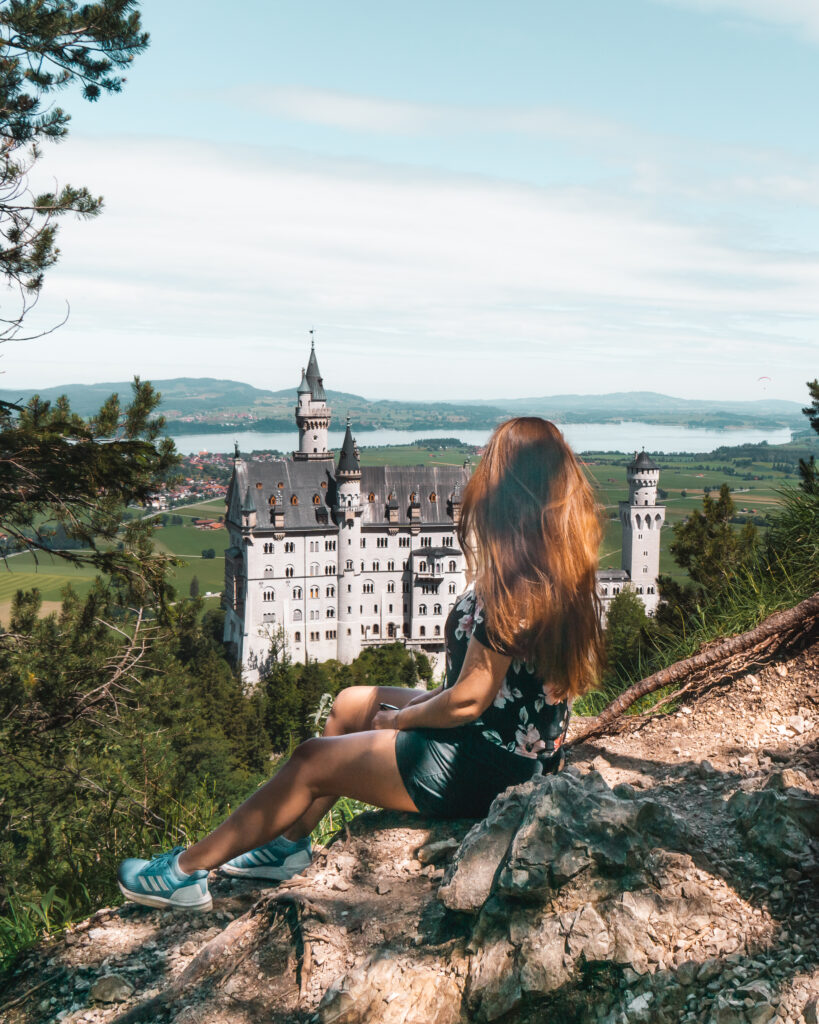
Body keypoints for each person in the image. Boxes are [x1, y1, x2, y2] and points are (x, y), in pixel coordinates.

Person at [117, 417, 604, 911]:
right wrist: (408, 708)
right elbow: (488, 692)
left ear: (509, 489)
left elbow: (468, 700)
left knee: (311, 760)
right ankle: (287, 847)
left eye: (490, 465)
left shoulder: (515, 583)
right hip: (506, 747)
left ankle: (184, 872)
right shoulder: (558, 569)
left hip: (480, 765)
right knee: (351, 704)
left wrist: (401, 719)